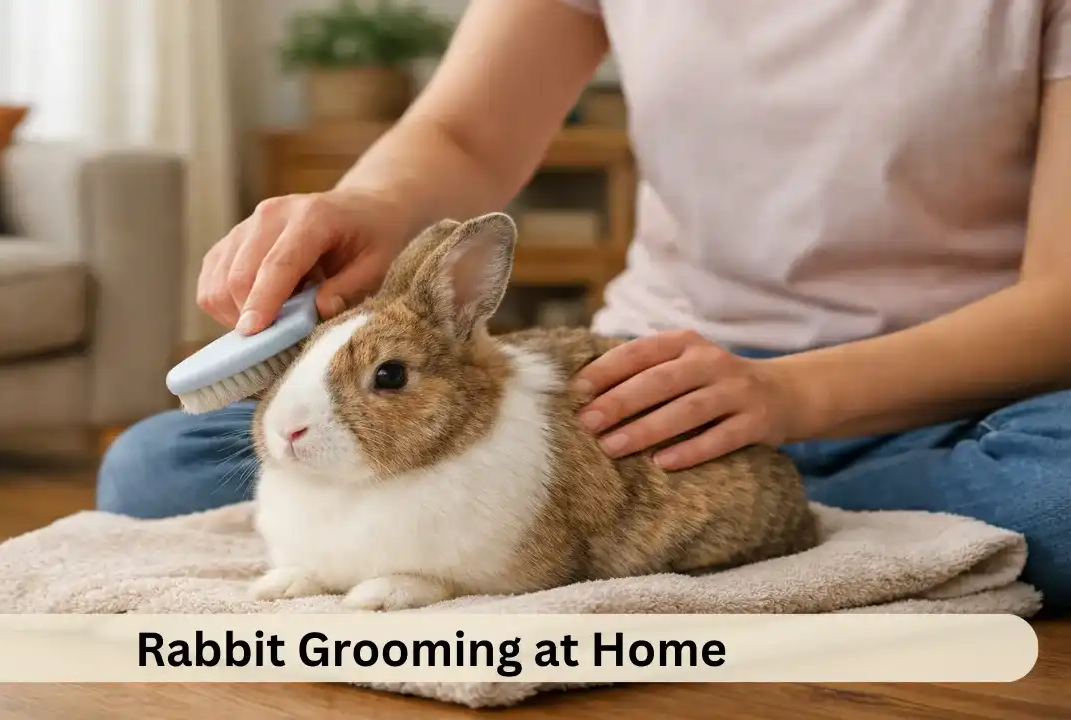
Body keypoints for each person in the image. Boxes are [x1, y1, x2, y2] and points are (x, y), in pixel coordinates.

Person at [97, 0, 1071, 611]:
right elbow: (463, 131)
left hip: (951, 392)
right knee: (151, 471)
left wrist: (790, 400)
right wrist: (364, 206)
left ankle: (699, 519)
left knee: (1056, 499)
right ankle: (716, 526)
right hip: (643, 388)